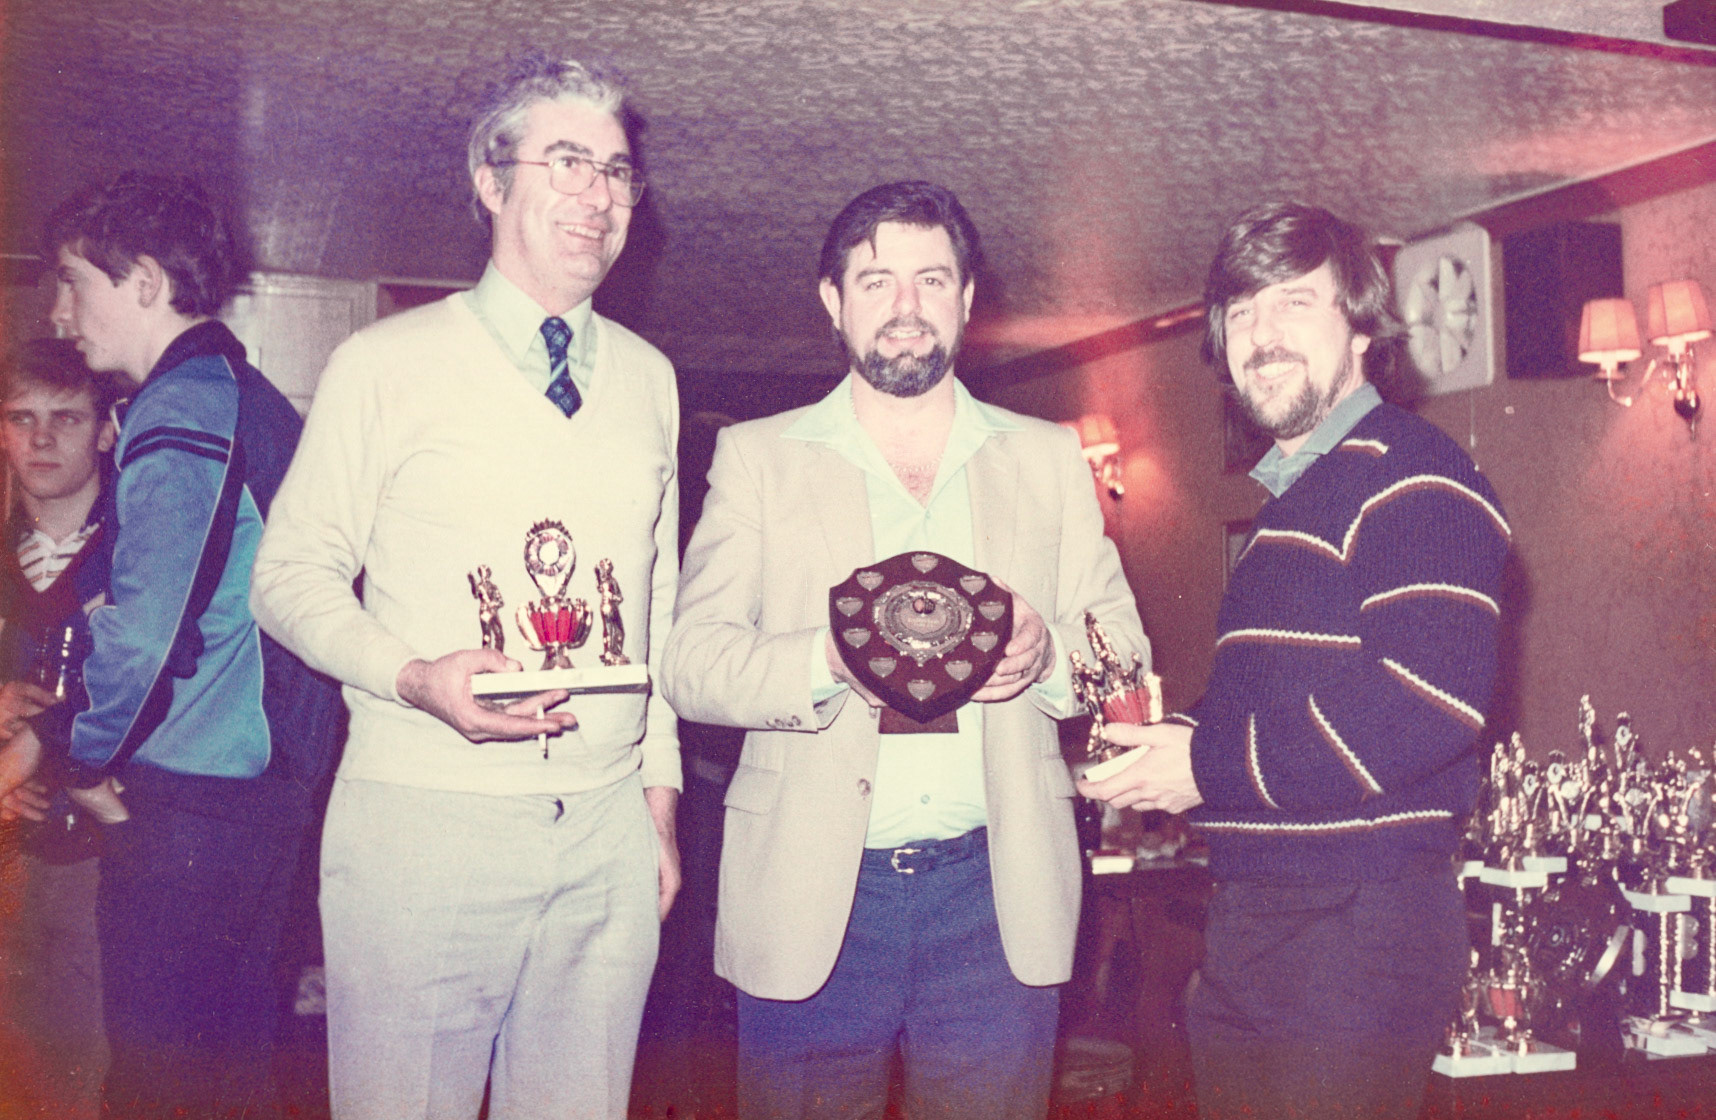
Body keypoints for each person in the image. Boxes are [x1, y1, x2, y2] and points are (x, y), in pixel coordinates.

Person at [250, 53, 681, 1120]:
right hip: (424, 828)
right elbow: (288, 578)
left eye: (618, 171)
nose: (597, 194)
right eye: (568, 162)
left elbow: (658, 608)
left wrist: (658, 812)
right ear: (489, 182)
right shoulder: (384, 364)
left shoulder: (651, 378)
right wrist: (413, 676)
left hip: (605, 837)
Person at [662, 181, 1146, 1120]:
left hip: (995, 900)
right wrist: (826, 661)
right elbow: (690, 662)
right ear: (834, 303)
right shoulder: (759, 457)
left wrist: (1048, 655)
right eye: (877, 281)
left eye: (932, 280)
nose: (907, 307)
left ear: (968, 300)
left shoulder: (1047, 457)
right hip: (814, 903)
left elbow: (1119, 645)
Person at [1079, 201, 1511, 1120]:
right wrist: (1170, 742)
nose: (1260, 336)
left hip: (1357, 928)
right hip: (1259, 920)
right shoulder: (1289, 510)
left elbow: (1422, 707)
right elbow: (1266, 708)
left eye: (1292, 304)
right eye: (1241, 314)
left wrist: (1202, 765)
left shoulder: (1414, 475)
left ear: (1361, 326)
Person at [0, 172, 342, 1119]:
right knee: (223, 1085)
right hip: (247, 800)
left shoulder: (184, 405)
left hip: (196, 807)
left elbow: (148, 633)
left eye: (74, 282)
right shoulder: (242, 395)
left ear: (146, 282)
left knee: (156, 1092)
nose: (61, 313)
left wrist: (63, 750)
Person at [0, 338, 122, 1119]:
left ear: (107, 429)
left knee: (95, 1080)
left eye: (66, 418)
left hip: (109, 864)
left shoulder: (141, 558)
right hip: (8, 859)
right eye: (22, 417)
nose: (41, 439)